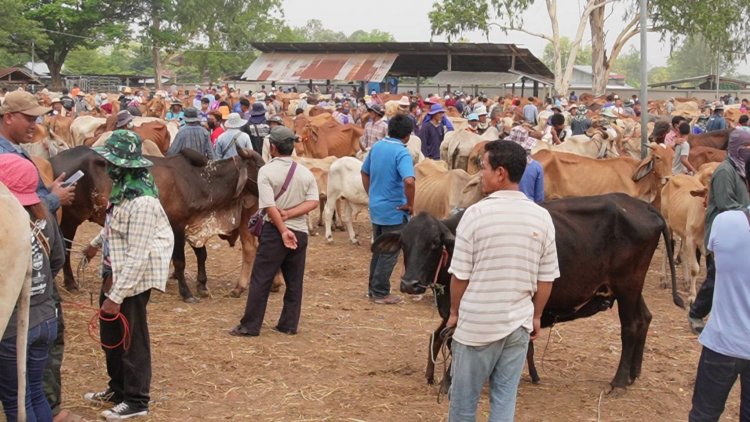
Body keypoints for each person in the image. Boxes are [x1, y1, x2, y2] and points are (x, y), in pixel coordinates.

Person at [446, 140, 558, 421]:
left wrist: (454, 312)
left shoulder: (474, 215)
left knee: (463, 404)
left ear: (500, 173)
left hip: (477, 325)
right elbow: (546, 278)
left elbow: (460, 276)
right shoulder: (541, 217)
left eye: (483, 167)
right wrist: (536, 316)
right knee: (504, 400)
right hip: (517, 324)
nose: (479, 174)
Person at [84, 130, 174, 420]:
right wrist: (95, 246)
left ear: (124, 166)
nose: (108, 168)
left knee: (131, 338)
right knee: (110, 334)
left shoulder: (143, 203)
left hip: (132, 278)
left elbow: (137, 256)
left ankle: (136, 400)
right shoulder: (124, 192)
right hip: (115, 269)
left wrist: (116, 295)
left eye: (113, 163)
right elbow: (113, 226)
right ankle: (117, 388)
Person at [229, 126, 319, 337]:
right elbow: (313, 202)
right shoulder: (305, 172)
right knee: (295, 281)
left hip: (274, 233)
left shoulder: (266, 171)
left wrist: (282, 228)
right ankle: (288, 324)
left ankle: (250, 326)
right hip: (300, 232)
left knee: (261, 279)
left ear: (274, 147)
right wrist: (290, 214)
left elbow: (269, 206)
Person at [0, 154, 64, 422]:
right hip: (47, 318)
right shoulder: (45, 216)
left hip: (16, 327)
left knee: (17, 403)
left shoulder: (5, 225)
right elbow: (58, 260)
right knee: (35, 393)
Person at [688, 201, 750, 421]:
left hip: (722, 343)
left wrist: (696, 310)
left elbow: (715, 270)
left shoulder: (724, 222)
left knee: (704, 414)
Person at [688, 129, 750, 334]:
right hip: (723, 233)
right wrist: (747, 211)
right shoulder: (725, 172)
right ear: (735, 148)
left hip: (738, 231)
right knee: (716, 277)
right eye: (746, 147)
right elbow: (725, 204)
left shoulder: (740, 169)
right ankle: (696, 314)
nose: (748, 151)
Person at [360, 114, 415, 305]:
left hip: (377, 208)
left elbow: (364, 171)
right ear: (407, 135)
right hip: (394, 210)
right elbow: (409, 180)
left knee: (379, 249)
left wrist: (371, 193)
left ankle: (372, 289)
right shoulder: (402, 153)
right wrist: (410, 203)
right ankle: (381, 292)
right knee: (390, 252)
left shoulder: (377, 147)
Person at [506, 126, 544, 203]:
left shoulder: (501, 165)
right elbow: (539, 198)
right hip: (529, 206)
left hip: (506, 205)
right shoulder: (536, 166)